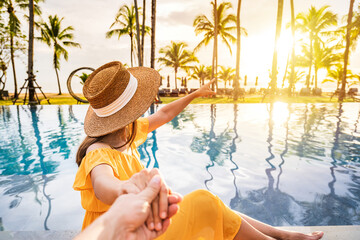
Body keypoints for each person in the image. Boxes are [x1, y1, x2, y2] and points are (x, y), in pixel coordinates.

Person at [73, 61, 324, 240]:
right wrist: (122, 189)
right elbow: (102, 184)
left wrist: (196, 93)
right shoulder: (98, 151)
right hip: (122, 233)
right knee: (205, 201)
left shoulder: (127, 134)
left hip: (139, 226)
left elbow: (164, 113)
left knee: (216, 207)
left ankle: (281, 234)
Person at [75, 174, 182, 240]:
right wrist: (122, 187)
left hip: (131, 227)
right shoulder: (97, 149)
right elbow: (100, 180)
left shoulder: (129, 148)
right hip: (105, 230)